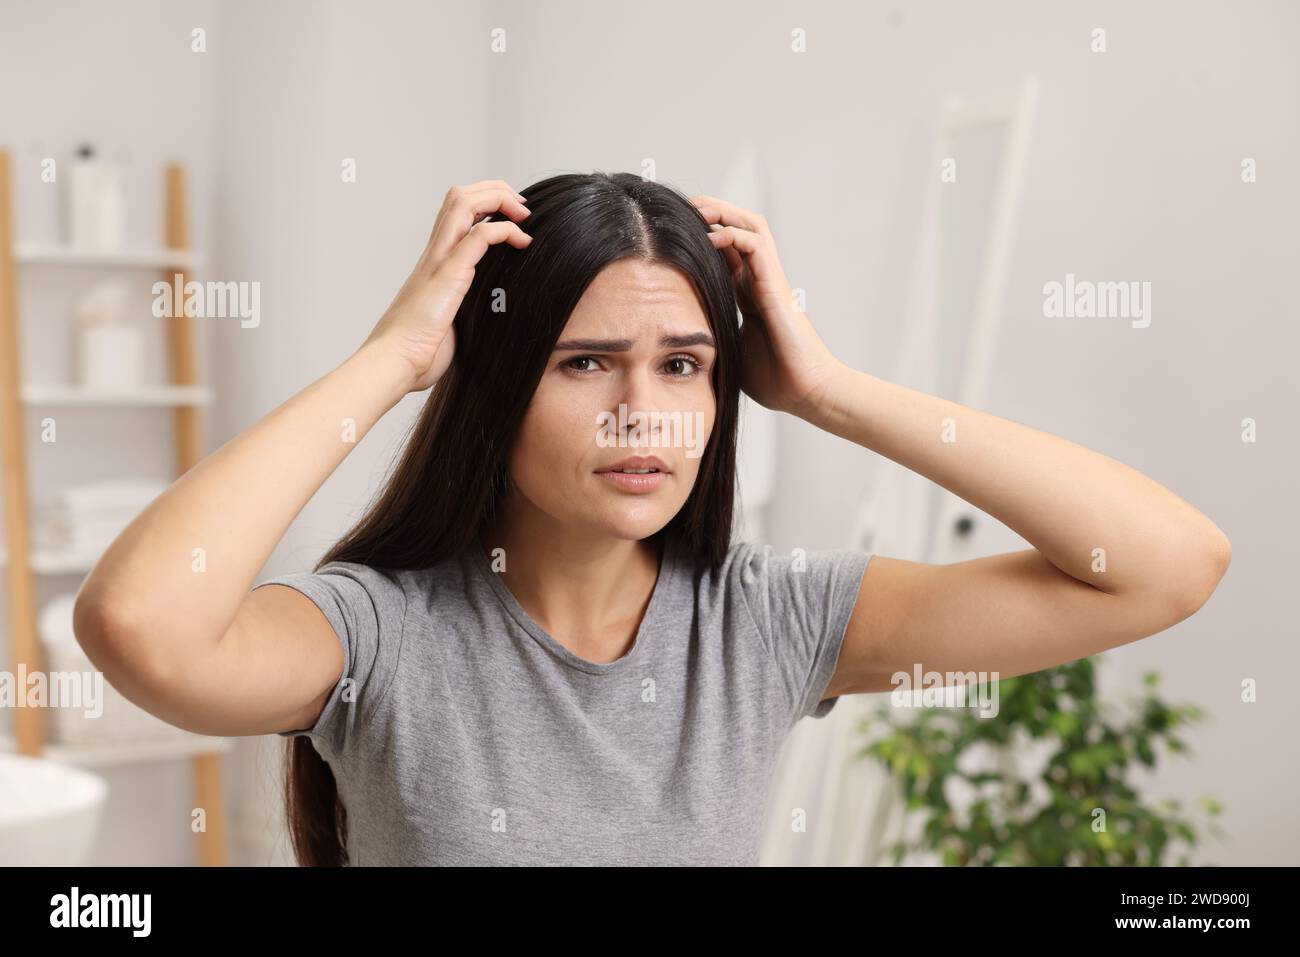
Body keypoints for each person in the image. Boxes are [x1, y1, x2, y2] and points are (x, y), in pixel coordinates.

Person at [73, 171, 1231, 866]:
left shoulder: (765, 624)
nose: (645, 415)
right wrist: (390, 360)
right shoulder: (377, 635)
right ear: (495, 383)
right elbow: (139, 626)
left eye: (683, 366)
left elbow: (1165, 566)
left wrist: (828, 391)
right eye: (587, 363)